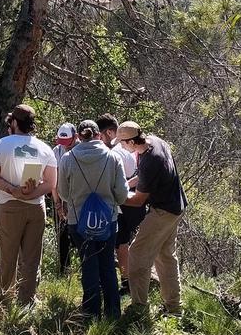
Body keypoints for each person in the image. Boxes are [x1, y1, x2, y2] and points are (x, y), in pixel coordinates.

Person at [0, 104, 58, 306]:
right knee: (32, 257)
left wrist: (13, 191)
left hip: (9, 206)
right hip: (36, 208)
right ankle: (27, 300)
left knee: (8, 255)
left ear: (14, 122)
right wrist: (31, 194)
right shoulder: (44, 148)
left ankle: (4, 299)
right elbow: (51, 183)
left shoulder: (1, 144)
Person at [56, 120, 128, 320]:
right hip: (108, 221)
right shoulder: (113, 158)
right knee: (107, 266)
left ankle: (90, 312)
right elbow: (122, 196)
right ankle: (113, 313)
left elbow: (62, 192)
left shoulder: (68, 159)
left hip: (78, 222)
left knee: (88, 265)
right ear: (98, 135)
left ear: (79, 137)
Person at [118, 120, 188, 316]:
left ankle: (138, 307)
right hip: (176, 206)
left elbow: (138, 200)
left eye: (123, 143)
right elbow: (143, 179)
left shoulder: (151, 160)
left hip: (163, 212)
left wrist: (115, 196)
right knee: (166, 256)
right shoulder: (155, 142)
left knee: (137, 254)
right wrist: (124, 184)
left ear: (132, 142)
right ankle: (174, 308)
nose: (122, 146)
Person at [99, 113, 143, 295]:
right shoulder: (126, 150)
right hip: (130, 203)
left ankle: (126, 281)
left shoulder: (115, 152)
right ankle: (128, 279)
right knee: (123, 243)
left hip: (122, 204)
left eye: (101, 135)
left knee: (121, 244)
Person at [52, 122, 78, 276]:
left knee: (78, 233)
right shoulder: (56, 151)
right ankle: (64, 269)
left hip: (78, 198)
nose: (64, 146)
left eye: (67, 142)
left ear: (75, 137)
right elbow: (53, 178)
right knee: (62, 234)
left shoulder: (81, 149)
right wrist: (57, 203)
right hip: (60, 196)